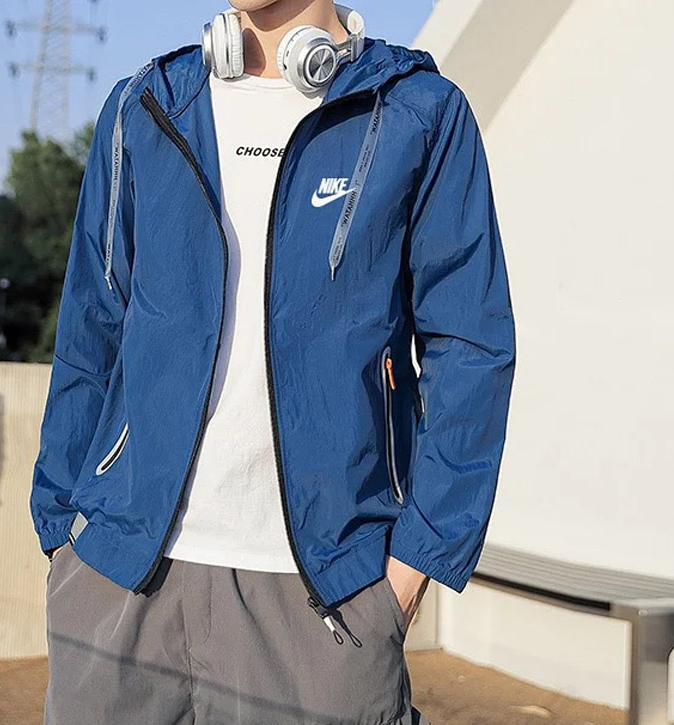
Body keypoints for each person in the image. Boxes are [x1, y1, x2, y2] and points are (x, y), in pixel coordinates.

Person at [30, 1, 516, 722]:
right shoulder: (145, 108)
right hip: (117, 577)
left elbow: (470, 348)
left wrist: (411, 569)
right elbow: (90, 332)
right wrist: (62, 533)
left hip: (327, 600)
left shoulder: (417, 112)